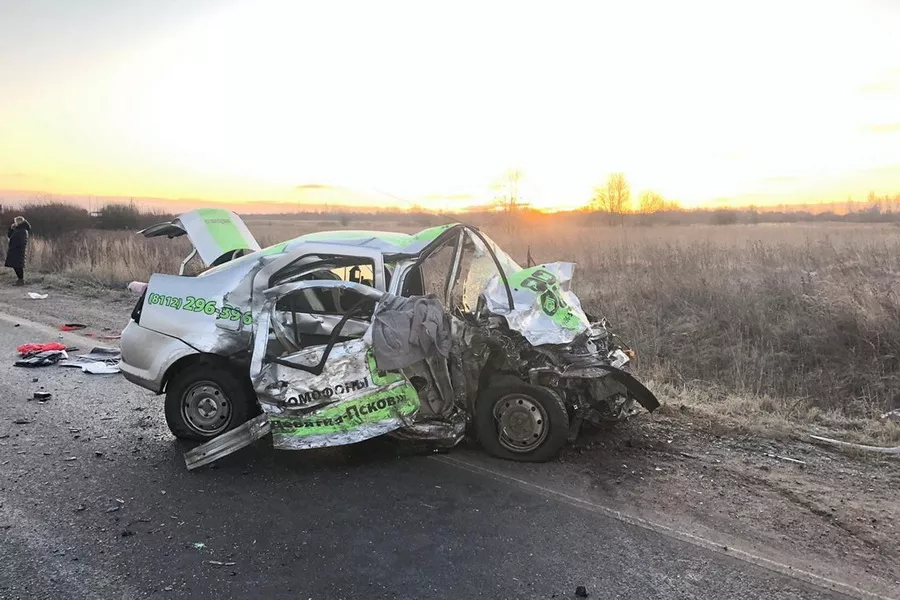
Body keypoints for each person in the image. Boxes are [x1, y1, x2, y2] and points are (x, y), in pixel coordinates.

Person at [5, 216, 31, 286]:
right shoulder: (18, 229)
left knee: (18, 265)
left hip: (18, 250)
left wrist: (14, 246)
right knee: (15, 265)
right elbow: (10, 236)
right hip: (15, 250)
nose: (15, 223)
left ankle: (21, 280)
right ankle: (20, 280)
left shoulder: (23, 230)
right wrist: (11, 229)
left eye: (16, 222)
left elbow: (20, 241)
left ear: (19, 222)